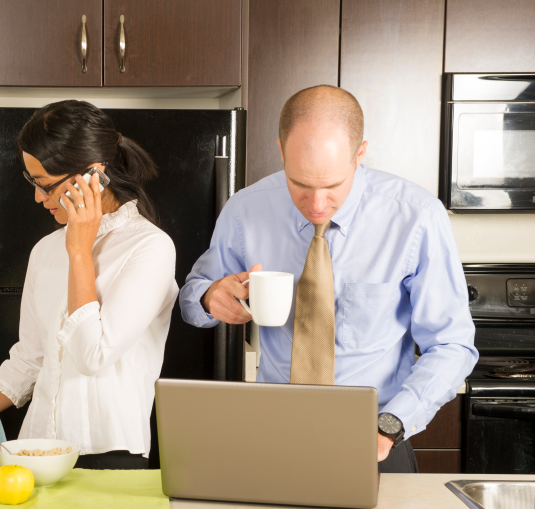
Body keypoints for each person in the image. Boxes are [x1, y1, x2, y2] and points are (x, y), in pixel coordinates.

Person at [180, 85, 478, 472]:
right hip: (273, 436)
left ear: (360, 153)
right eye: (300, 184)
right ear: (281, 150)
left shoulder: (416, 217)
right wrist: (209, 297)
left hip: (377, 439)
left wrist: (389, 426)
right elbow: (192, 296)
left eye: (333, 186)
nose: (316, 205)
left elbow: (452, 345)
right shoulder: (245, 209)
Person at [0, 100, 178, 471]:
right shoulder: (45, 251)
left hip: (110, 455)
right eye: (32, 182)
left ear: (94, 175)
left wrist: (79, 250)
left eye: (45, 185)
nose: (37, 198)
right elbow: (29, 359)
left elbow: (92, 355)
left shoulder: (150, 248)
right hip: (35, 449)